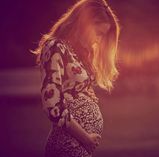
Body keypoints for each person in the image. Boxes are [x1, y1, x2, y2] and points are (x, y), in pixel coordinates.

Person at [30, 0, 120, 156]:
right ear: (84, 23)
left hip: (77, 145)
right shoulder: (55, 47)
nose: (98, 40)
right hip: (68, 144)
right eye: (98, 33)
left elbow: (72, 91)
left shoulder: (80, 52)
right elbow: (53, 106)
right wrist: (85, 138)